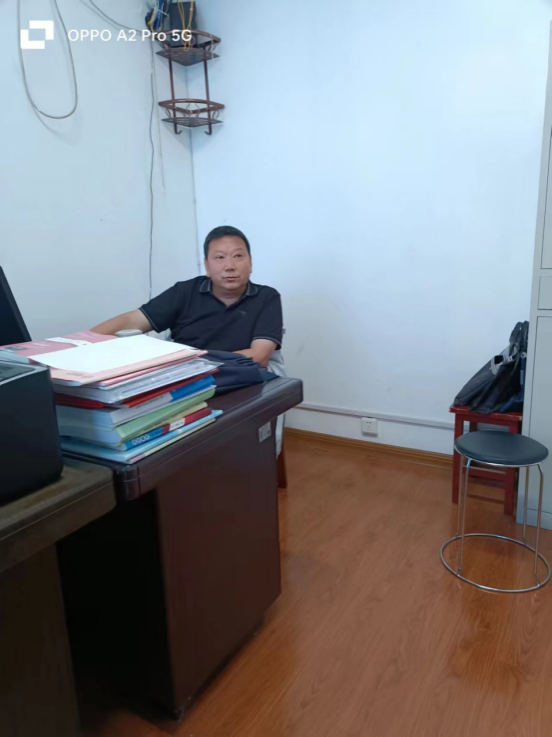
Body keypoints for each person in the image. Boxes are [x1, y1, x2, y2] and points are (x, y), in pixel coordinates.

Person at [91, 226, 283, 368]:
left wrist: (193, 365)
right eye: (220, 257)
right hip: (184, 376)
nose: (230, 266)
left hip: (236, 375)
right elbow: (132, 320)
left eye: (238, 256)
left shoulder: (267, 297)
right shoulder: (185, 291)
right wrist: (83, 342)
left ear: (250, 262)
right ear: (207, 266)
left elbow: (259, 356)